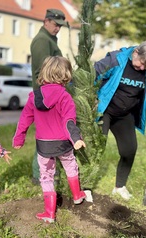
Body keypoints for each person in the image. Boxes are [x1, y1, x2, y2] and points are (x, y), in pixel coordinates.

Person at [12, 56, 87, 223]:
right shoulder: (65, 96)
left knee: (46, 176)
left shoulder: (34, 96)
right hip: (63, 143)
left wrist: (18, 139)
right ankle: (77, 195)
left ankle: (49, 214)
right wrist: (76, 139)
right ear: (65, 74)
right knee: (70, 166)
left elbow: (24, 119)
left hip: (43, 146)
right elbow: (69, 121)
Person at [94, 41, 146, 200]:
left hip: (125, 114)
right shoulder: (115, 59)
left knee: (129, 150)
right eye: (141, 63)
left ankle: (120, 187)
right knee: (96, 147)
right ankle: (85, 187)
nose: (142, 68)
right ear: (135, 52)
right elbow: (93, 74)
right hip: (104, 111)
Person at [30, 8, 68, 185]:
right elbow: (43, 71)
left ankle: (48, 172)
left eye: (60, 26)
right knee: (46, 134)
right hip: (46, 95)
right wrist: (51, 95)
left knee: (51, 133)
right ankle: (39, 174)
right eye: (55, 24)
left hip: (52, 94)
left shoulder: (50, 40)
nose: (58, 28)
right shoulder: (42, 41)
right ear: (46, 21)